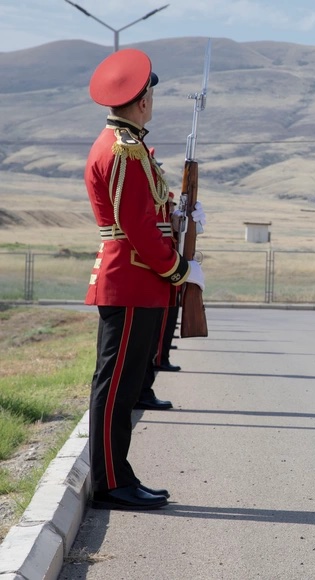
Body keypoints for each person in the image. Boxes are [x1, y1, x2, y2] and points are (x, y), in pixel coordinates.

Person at [83, 48, 205, 510]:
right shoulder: (122, 151)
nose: (152, 99)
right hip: (132, 279)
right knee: (117, 385)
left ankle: (117, 474)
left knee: (125, 384)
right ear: (141, 101)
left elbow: (148, 216)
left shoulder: (129, 146)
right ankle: (111, 482)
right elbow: (134, 225)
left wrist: (179, 219)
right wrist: (178, 269)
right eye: (150, 92)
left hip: (138, 280)